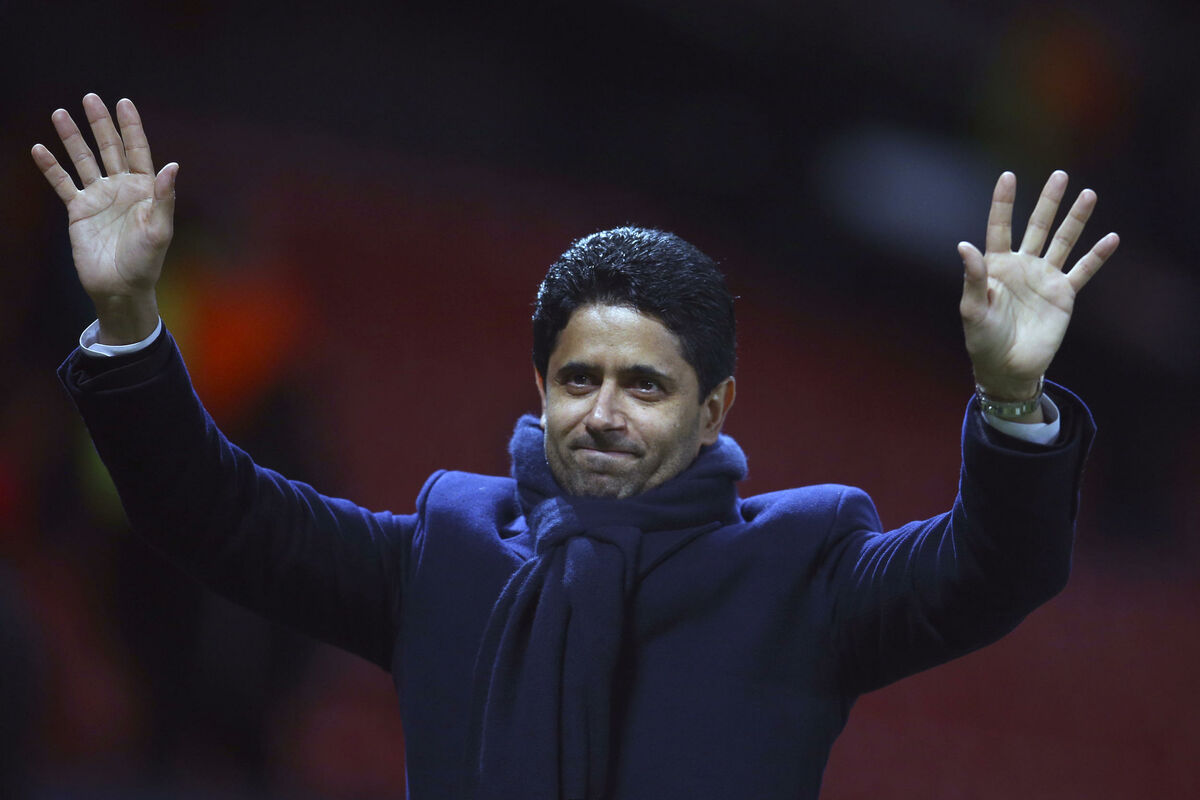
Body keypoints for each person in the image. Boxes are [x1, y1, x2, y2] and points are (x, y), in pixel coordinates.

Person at [34, 94, 1118, 799]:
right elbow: (210, 513)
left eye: (645, 385)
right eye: (578, 378)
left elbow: (995, 568)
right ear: (541, 390)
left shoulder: (805, 572)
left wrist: (1011, 394)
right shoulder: (447, 551)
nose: (603, 411)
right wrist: (128, 320)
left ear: (715, 410)